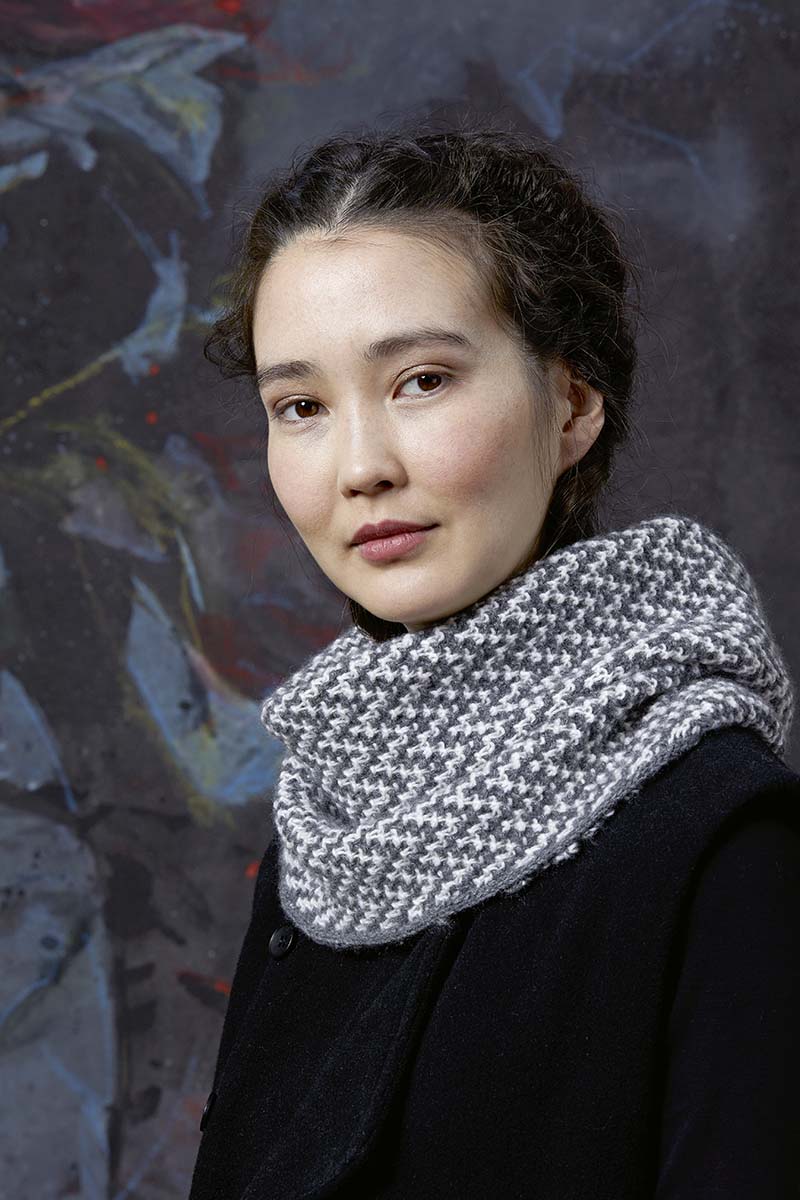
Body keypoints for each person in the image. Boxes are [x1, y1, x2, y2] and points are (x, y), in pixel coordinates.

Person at [188, 119, 800, 1199]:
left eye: (422, 380)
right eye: (301, 407)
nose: (361, 467)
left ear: (571, 403)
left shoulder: (726, 838)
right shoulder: (328, 829)